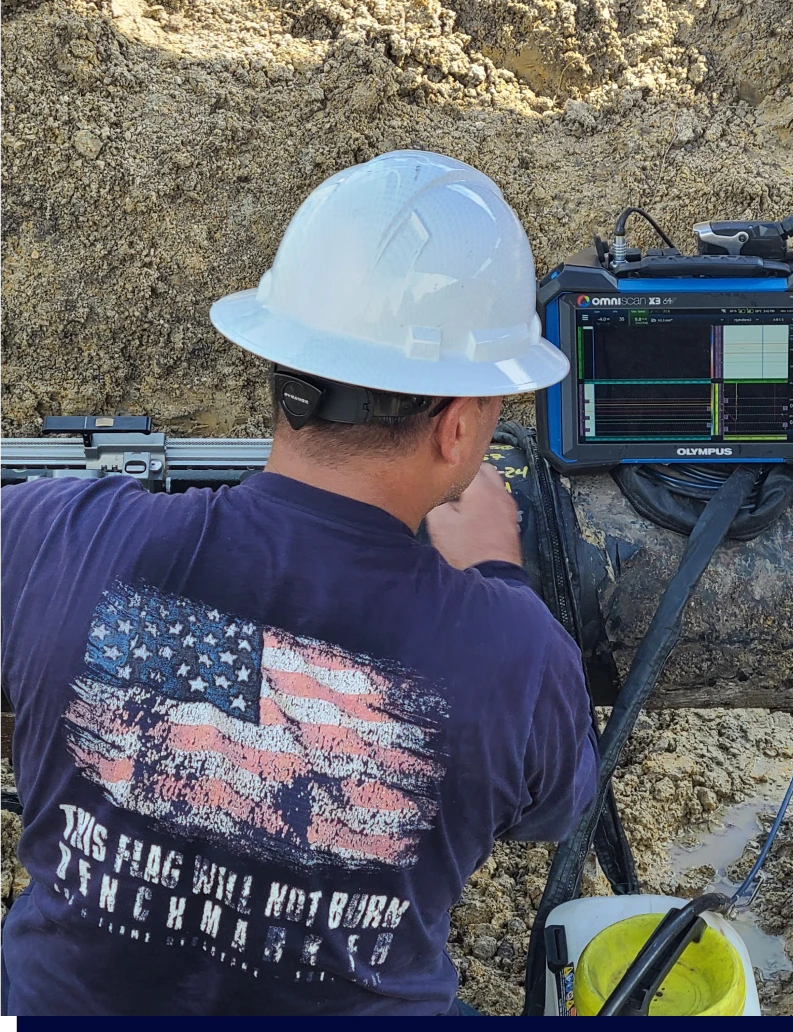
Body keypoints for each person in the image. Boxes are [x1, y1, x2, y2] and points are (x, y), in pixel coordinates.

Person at [0, 151, 598, 1015]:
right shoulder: (516, 652)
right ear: (459, 428)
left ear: (281, 369)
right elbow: (553, 808)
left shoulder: (56, 536)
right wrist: (496, 577)